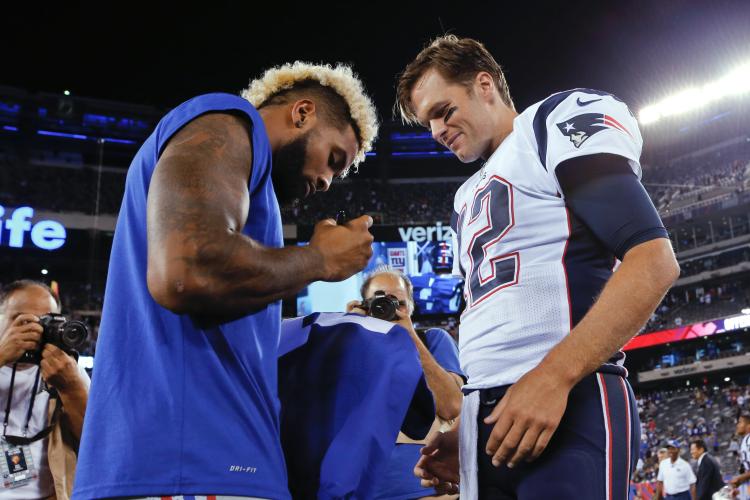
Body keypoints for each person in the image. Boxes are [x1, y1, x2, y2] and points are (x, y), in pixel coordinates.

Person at [74, 62, 379, 499]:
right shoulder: (227, 121)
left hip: (194, 462)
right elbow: (186, 270)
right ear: (302, 113)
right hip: (192, 464)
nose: (329, 181)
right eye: (334, 159)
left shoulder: (254, 191)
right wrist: (317, 260)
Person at [396, 35, 680, 499]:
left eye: (443, 110)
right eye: (427, 122)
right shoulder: (465, 197)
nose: (436, 131)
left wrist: (554, 378)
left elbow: (652, 259)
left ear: (484, 84)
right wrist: (474, 429)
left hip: (569, 401)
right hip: (487, 420)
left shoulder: (550, 122)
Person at [347, 266, 464, 500]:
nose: (389, 309)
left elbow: (452, 405)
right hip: (361, 486)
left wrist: (409, 336)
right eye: (379, 300)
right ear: (364, 305)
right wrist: (348, 329)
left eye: (398, 303)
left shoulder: (431, 340)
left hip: (425, 485)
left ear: (411, 306)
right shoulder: (349, 343)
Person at [0, 280, 90, 500]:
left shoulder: (66, 369)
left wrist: (71, 388)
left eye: (43, 321)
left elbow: (96, 442)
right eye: (20, 319)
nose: (33, 329)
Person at [730, 414, 750, 500]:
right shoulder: (745, 440)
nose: (737, 425)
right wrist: (740, 481)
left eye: (740, 422)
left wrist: (739, 478)